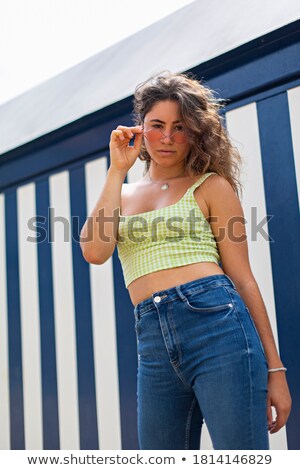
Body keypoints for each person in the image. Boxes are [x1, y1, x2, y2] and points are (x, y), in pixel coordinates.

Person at [80, 71, 291, 450]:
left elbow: (243, 280)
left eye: (180, 127)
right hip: (153, 338)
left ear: (194, 132)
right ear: (140, 128)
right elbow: (94, 252)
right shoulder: (121, 194)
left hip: (217, 323)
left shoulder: (211, 186)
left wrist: (276, 371)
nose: (167, 137)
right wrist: (116, 169)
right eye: (157, 125)